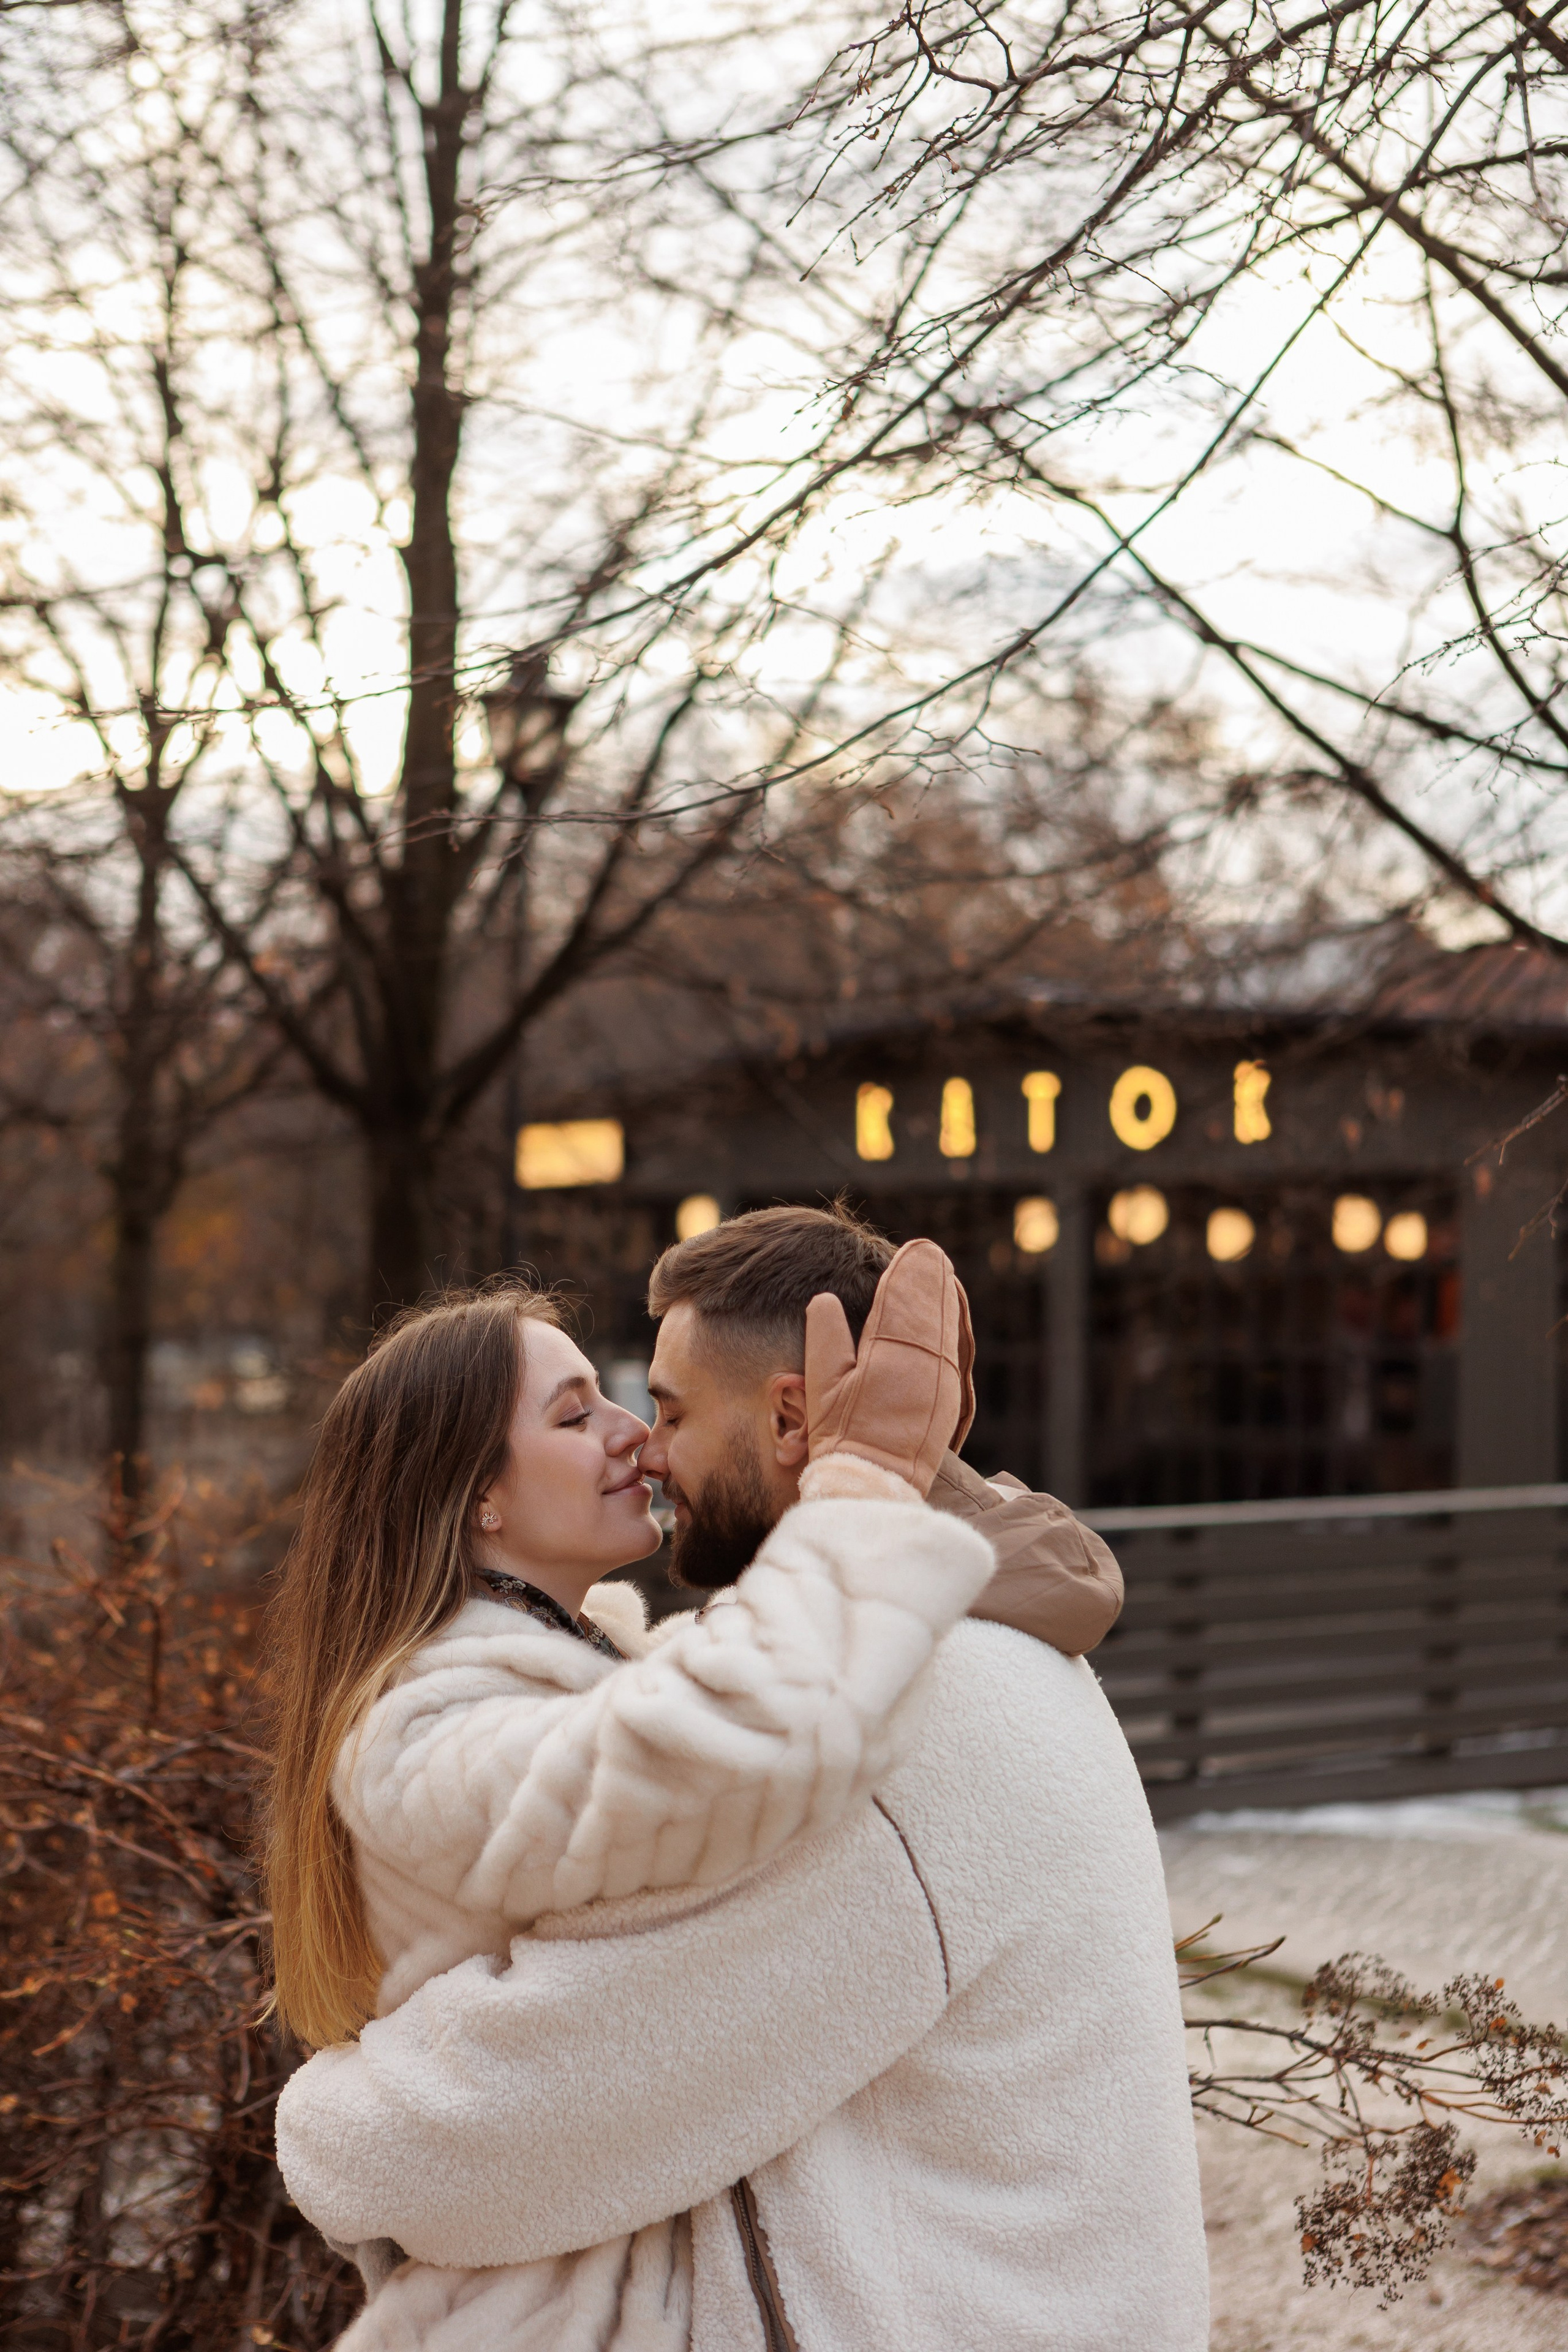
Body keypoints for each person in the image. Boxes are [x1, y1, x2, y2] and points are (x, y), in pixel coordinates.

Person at [276, 1206, 1207, 2350]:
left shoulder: (901, 1724)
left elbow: (519, 2122)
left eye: (663, 1407)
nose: (643, 1443)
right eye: (594, 1410)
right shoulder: (925, 1666)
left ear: (786, 1416)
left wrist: (325, 2117)